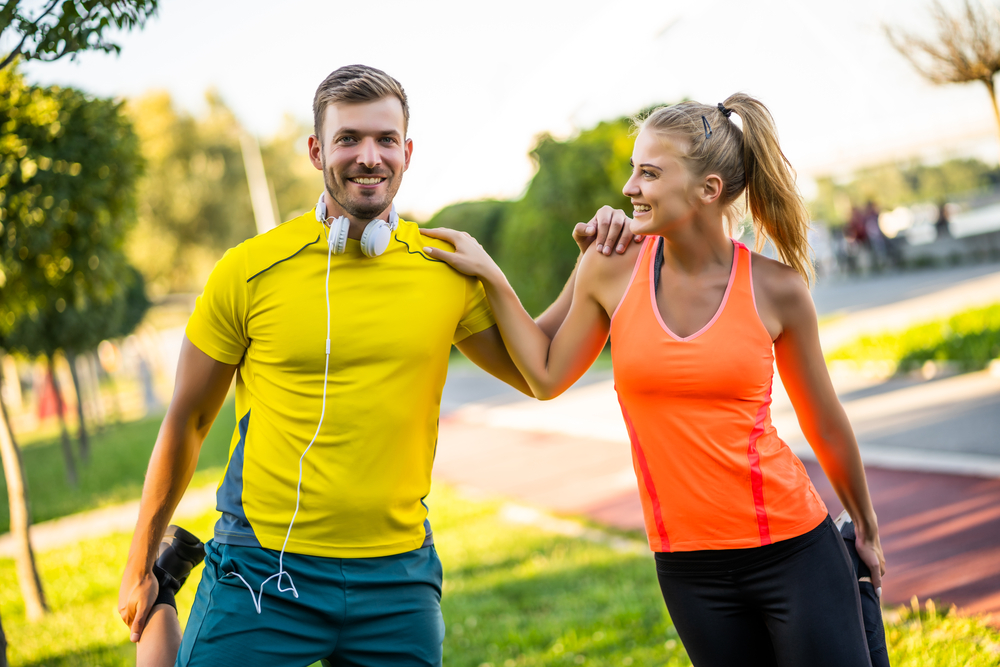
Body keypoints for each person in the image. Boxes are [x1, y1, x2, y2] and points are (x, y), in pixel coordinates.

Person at [117, 64, 637, 667]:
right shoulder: (248, 271)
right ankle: (164, 590)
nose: (369, 156)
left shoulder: (445, 267)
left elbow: (539, 364)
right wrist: (138, 564)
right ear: (317, 151)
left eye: (386, 139)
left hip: (398, 580)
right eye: (349, 139)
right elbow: (187, 418)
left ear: (407, 152)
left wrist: (591, 264)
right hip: (263, 570)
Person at [422, 94, 886, 667]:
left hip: (793, 550)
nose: (629, 187)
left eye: (649, 173)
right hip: (689, 569)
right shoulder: (610, 267)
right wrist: (489, 279)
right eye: (633, 169)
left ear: (708, 189)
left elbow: (823, 420)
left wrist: (866, 527)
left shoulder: (776, 289)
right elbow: (543, 375)